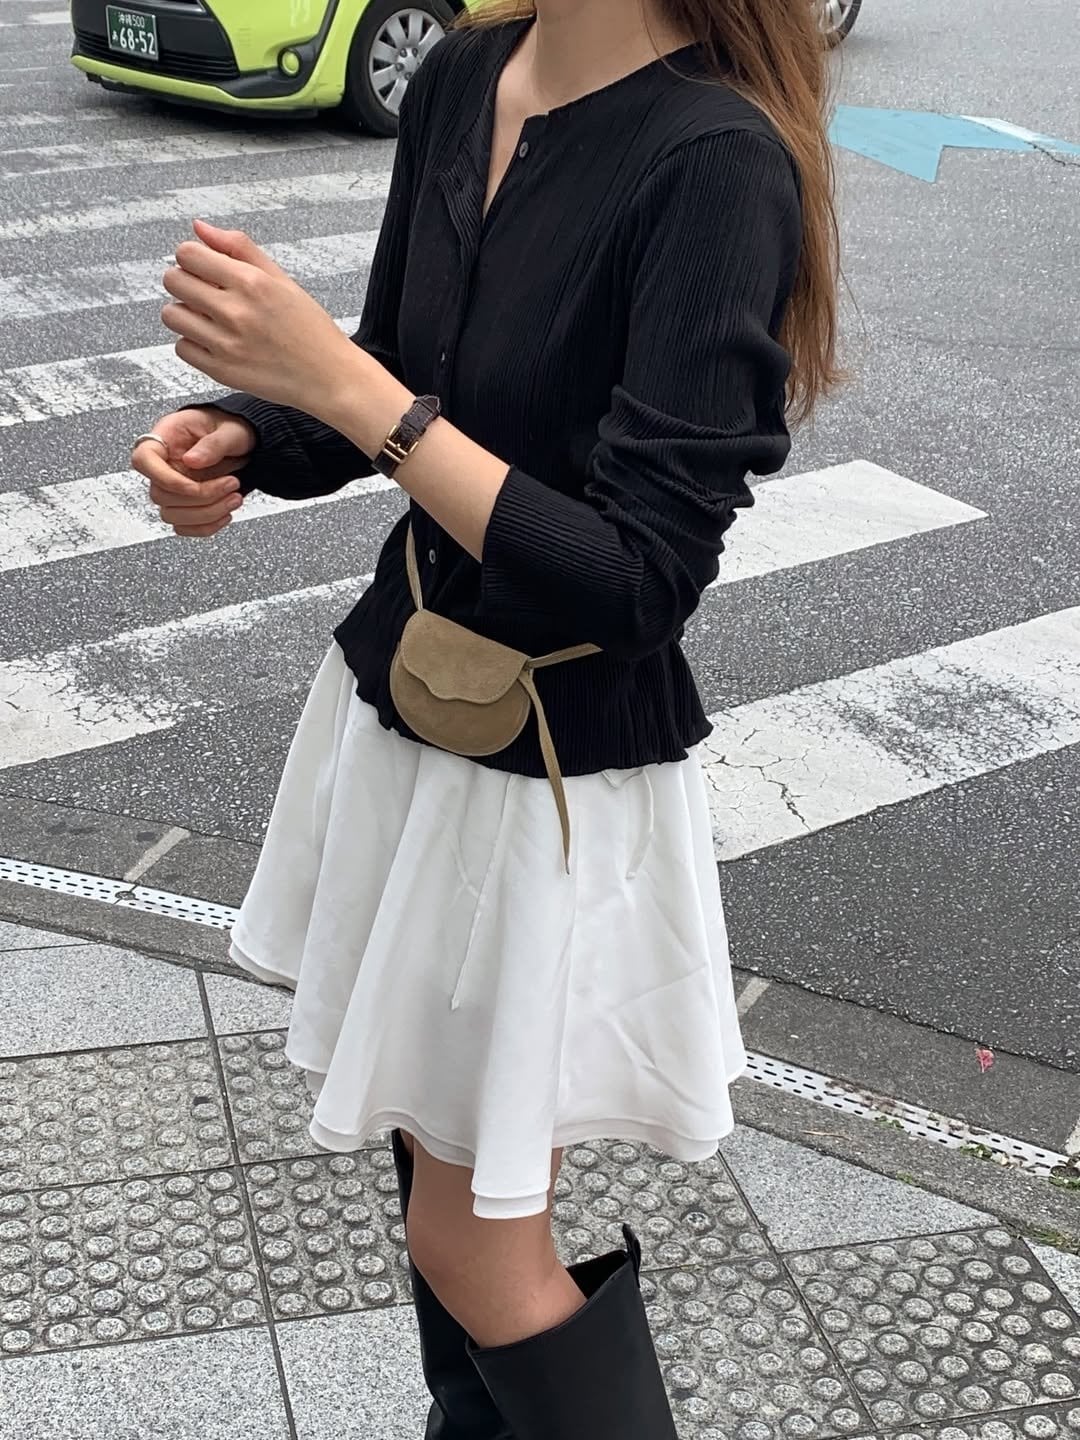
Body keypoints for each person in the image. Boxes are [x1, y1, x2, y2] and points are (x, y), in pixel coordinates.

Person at [135, 0, 840, 1433]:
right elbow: (414, 373)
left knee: (467, 1240)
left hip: (545, 776)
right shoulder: (467, 73)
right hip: (411, 700)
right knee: (433, 1177)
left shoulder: (715, 159)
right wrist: (254, 434)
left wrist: (343, 387)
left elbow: (639, 576)